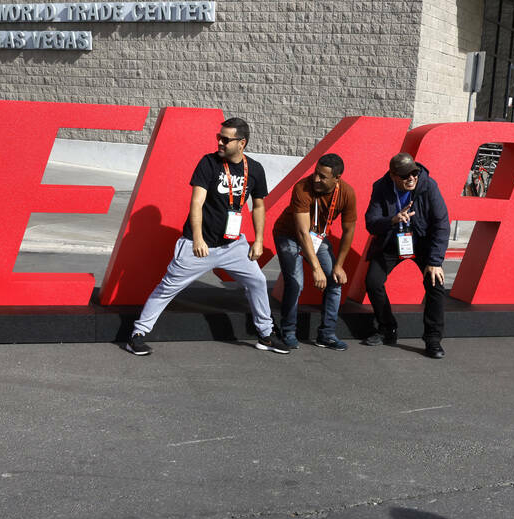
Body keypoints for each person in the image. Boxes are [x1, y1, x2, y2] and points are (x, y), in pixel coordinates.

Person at [125, 117, 290, 356]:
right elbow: (197, 202)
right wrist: (199, 239)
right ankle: (137, 335)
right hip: (198, 245)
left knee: (257, 281)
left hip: (234, 245)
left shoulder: (254, 169)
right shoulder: (208, 163)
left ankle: (266, 334)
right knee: (167, 288)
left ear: (241, 143)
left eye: (225, 139)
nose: (220, 142)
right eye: (218, 137)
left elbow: (259, 206)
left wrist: (260, 240)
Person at [363, 152, 449, 359]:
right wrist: (392, 220)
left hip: (422, 241)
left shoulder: (429, 186)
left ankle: (433, 339)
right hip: (393, 240)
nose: (411, 178)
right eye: (404, 175)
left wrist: (435, 261)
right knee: (373, 282)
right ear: (393, 175)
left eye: (414, 173)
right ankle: (387, 328)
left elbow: (442, 223)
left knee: (436, 284)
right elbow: (371, 222)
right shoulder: (381, 187)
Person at [271, 153, 357, 350]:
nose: (316, 179)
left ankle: (327, 334)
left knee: (335, 280)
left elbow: (349, 230)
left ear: (337, 178)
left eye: (322, 177)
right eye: (316, 173)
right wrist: (316, 268)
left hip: (317, 237)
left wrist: (339, 265)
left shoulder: (347, 193)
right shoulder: (302, 187)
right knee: (296, 282)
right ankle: (289, 330)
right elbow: (302, 232)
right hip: (289, 235)